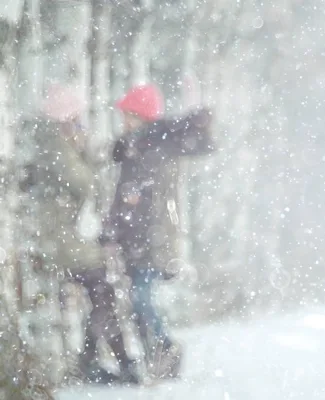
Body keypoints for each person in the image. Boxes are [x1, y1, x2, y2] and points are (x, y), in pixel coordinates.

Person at [23, 84, 140, 384]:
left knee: (102, 292)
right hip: (59, 241)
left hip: (65, 238)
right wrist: (85, 151)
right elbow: (84, 182)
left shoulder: (55, 143)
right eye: (75, 120)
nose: (79, 126)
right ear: (64, 120)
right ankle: (110, 362)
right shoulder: (53, 146)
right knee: (102, 288)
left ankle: (96, 362)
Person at [100, 83, 215, 379]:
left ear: (142, 118)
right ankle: (159, 356)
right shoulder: (135, 148)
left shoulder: (154, 147)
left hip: (152, 240)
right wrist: (113, 229)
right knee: (138, 302)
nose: (124, 122)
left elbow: (145, 200)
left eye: (130, 116)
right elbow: (123, 196)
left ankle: (166, 351)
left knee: (141, 298)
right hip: (137, 239)